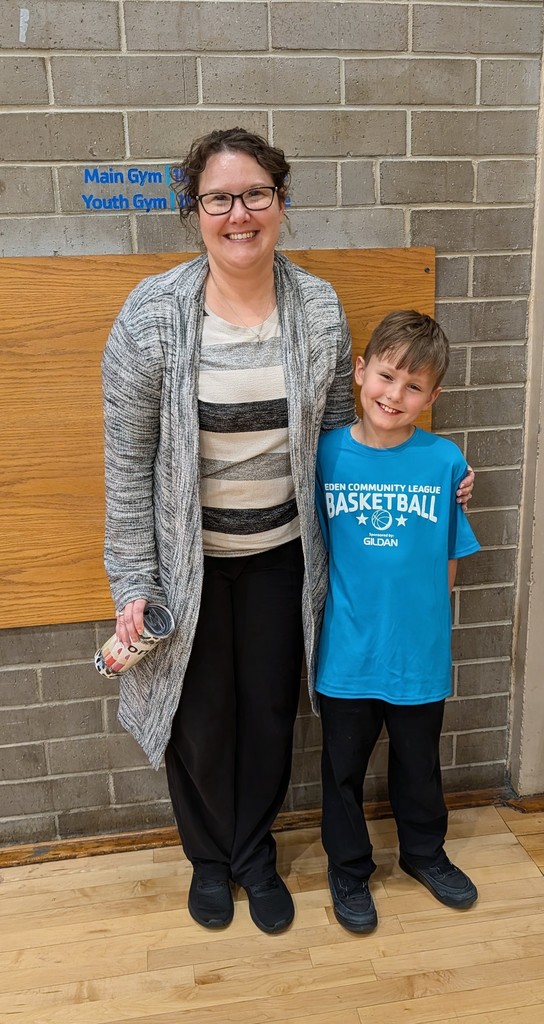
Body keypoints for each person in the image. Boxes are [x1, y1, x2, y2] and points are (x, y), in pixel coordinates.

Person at [101, 127, 474, 935]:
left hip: (282, 558)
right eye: (219, 198)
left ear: (281, 202)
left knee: (270, 714)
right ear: (194, 210)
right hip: (188, 563)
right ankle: (211, 860)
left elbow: (346, 444)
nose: (240, 213)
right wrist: (136, 583)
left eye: (256, 194)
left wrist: (440, 475)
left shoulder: (317, 308)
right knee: (199, 723)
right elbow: (127, 468)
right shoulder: (151, 315)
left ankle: (255, 856)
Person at [314, 310, 480, 935]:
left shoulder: (443, 460)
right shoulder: (325, 453)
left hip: (418, 654)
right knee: (342, 771)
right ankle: (349, 869)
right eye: (386, 376)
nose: (395, 395)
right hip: (348, 653)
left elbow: (446, 556)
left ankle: (423, 853)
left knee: (420, 764)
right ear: (360, 373)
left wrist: (432, 633)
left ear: (433, 397)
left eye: (414, 387)